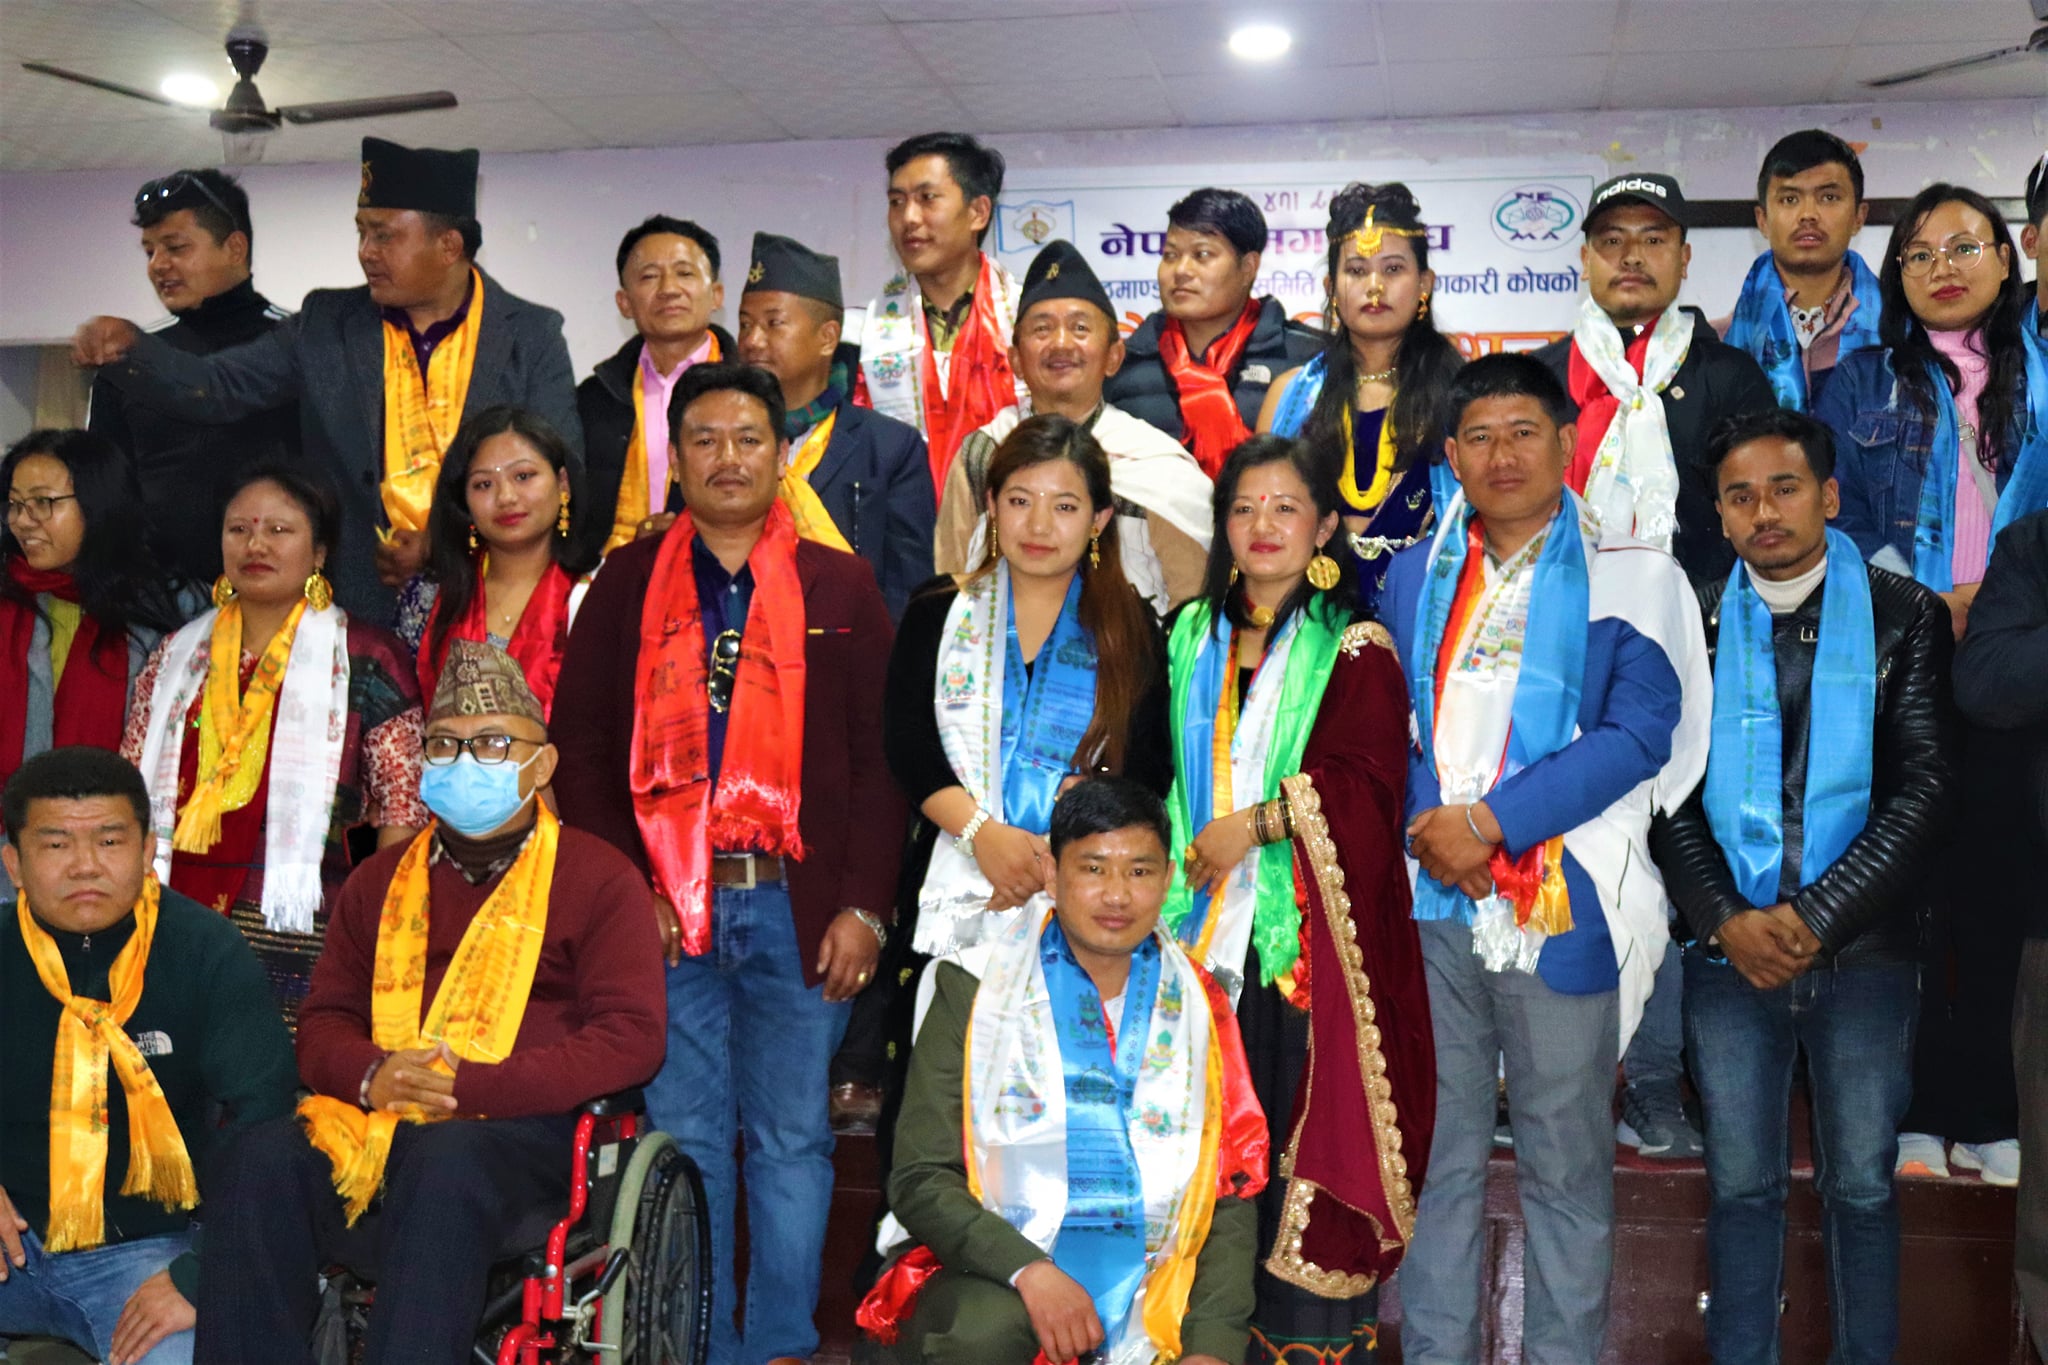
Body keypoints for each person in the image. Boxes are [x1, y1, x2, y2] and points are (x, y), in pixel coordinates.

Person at [551, 362, 905, 1365]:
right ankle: (697, 1346)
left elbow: (882, 761)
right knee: (688, 1137)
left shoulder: (839, 585)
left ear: (782, 453)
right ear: (675, 460)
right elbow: (579, 750)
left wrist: (865, 909)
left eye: (749, 438)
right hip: (666, 916)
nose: (727, 458)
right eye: (703, 439)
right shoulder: (626, 583)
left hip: (798, 908)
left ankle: (779, 1345)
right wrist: (630, 892)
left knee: (792, 1141)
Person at [193, 642, 667, 1365]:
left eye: (492, 744)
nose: (465, 761)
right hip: (377, 1123)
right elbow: (324, 1022)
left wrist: (469, 1087)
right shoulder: (379, 880)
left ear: (542, 765)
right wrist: (372, 1076)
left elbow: (631, 1037)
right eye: (444, 745)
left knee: (448, 1157)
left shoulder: (600, 878)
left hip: (523, 1134)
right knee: (259, 1156)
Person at [1384, 353, 1709, 1365]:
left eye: (1523, 432)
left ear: (1567, 442)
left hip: (1562, 909)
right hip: (1432, 906)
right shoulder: (1413, 574)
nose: (1502, 455)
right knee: (1436, 1160)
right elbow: (1389, 726)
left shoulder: (1631, 575)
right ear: (1450, 456)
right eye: (1479, 437)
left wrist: (1490, 825)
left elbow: (1637, 735)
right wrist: (1437, 827)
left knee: (1564, 1170)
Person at [1650, 408, 1953, 1365]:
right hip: (1727, 954)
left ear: (1827, 495)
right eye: (1739, 496)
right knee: (1741, 1187)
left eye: (1784, 489)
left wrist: (1816, 917)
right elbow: (1667, 794)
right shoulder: (1694, 615)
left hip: (1865, 952)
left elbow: (1924, 790)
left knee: (1860, 1186)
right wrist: (1726, 918)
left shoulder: (1907, 614)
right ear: (1719, 514)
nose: (1764, 512)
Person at [1163, 434, 1435, 1362]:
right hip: (1192, 938)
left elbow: (1367, 789)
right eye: (1244, 508)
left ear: (1324, 527)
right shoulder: (1187, 636)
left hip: (1298, 956)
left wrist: (1259, 822)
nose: (1263, 525)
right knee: (1197, 1156)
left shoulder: (1353, 646)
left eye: (1286, 507)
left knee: (1286, 1155)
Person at [72, 137, 582, 625]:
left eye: (384, 235)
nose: (366, 251)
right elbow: (218, 386)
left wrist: (448, 543)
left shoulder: (530, 334)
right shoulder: (327, 324)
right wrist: (134, 347)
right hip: (355, 611)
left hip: (494, 601)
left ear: (448, 245)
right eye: (361, 233)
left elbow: (562, 473)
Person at [859, 777, 1267, 1365]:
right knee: (983, 1331)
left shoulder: (1200, 1006)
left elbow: (1231, 1188)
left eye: (1139, 871)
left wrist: (1214, 1345)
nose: (1117, 895)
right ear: (1051, 873)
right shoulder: (975, 988)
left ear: (1168, 880)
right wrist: (1029, 1271)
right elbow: (922, 1176)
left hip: (1155, 1282)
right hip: (992, 1270)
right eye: (1094, 869)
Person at [1816, 182, 2041, 1186]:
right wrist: (1922, 599)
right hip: (1899, 647)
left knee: (1996, 892)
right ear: (1896, 273)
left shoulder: (2038, 373)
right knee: (1904, 896)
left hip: (2012, 655)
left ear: (2006, 258)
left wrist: (1994, 599)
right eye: (1919, 252)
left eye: (1963, 246)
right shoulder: (1862, 378)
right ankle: (1907, 1112)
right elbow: (1839, 512)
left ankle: (1986, 1110)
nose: (1942, 266)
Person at [0, 746, 297, 1365]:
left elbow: (268, 1126)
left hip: (151, 1258)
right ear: (13, 864)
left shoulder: (205, 951)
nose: (85, 865)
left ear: (148, 851)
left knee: (192, 1354)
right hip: (11, 1242)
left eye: (109, 841)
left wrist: (201, 1274)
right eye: (55, 844)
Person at [121, 464, 429, 1027]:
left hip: (305, 929)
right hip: (170, 917)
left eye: (279, 530)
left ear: (320, 552)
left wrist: (377, 927)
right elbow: (129, 784)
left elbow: (402, 811)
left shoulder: (367, 658)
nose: (255, 545)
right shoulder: (174, 656)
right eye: (238, 529)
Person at [932, 240, 1213, 615]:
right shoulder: (984, 453)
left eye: (1080, 328)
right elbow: (952, 580)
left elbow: (1192, 606)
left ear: (1114, 357)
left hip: (1130, 648)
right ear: (1016, 361)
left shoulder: (1156, 465)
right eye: (1042, 329)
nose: (1061, 343)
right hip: (997, 644)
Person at [1532, 171, 1776, 583]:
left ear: (1684, 259)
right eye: (1612, 241)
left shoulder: (1731, 377)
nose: (1632, 257)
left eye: (1653, 240)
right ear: (1585, 261)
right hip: (1556, 601)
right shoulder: (1537, 379)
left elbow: (1761, 510)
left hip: (1700, 612)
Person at [1257, 182, 1463, 613]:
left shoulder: (1462, 396)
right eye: (1355, 270)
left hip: (1427, 616)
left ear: (1424, 283)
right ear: (1331, 287)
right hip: (1311, 622)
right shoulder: (1290, 396)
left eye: (1393, 269)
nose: (1374, 287)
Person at [88, 169, 297, 584]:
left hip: (286, 593)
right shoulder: (128, 363)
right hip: (161, 597)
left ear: (235, 248)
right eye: (149, 251)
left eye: (176, 247)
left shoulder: (302, 349)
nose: (158, 265)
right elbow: (107, 496)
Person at [736, 230, 935, 619]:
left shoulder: (889, 448)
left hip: (850, 646)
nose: (753, 340)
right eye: (745, 324)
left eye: (774, 323)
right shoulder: (720, 439)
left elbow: (908, 592)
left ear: (828, 337)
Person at [3, 430, 188, 815]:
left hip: (123, 833)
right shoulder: (9, 602)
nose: (22, 521)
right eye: (16, 504)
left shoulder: (173, 608)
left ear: (99, 504)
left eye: (43, 502)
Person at [858, 131, 1027, 495]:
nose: (908, 217)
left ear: (978, 212)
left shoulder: (1027, 322)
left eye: (927, 198)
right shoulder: (863, 335)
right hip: (902, 523)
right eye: (896, 202)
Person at [1106, 187, 1323, 468]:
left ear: (1248, 267)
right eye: (1170, 255)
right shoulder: (1123, 363)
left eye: (1202, 254)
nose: (1181, 270)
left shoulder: (1310, 361)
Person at [406, 407, 596, 717]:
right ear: (464, 501)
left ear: (563, 483)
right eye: (484, 484)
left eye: (523, 476)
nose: (506, 496)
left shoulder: (597, 594)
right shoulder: (427, 598)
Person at [578, 215, 734, 556]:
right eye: (649, 276)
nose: (668, 289)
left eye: (685, 273)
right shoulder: (593, 399)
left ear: (716, 295)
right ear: (624, 303)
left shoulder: (749, 394)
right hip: (612, 576)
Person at [1718, 130, 1880, 412]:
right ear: (1762, 220)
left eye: (1828, 197)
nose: (1808, 215)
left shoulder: (1900, 335)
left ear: (1859, 217)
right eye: (1790, 200)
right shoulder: (1720, 345)